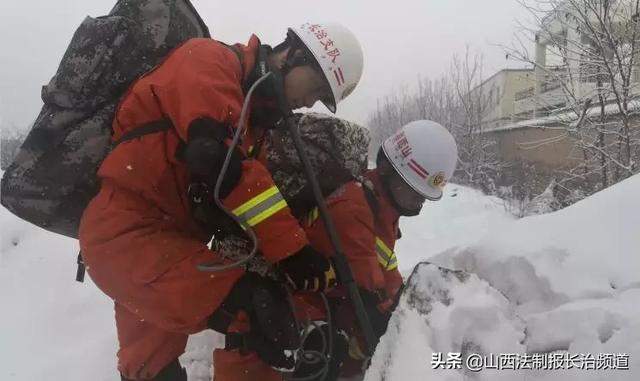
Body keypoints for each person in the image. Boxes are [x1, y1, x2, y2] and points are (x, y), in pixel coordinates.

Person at [78, 22, 364, 380]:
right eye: (316, 88)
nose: (309, 102)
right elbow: (218, 162)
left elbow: (245, 202)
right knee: (251, 307)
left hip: (172, 240)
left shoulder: (252, 122)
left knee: (149, 369)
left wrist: (299, 259)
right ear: (293, 55)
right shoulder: (210, 61)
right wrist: (295, 253)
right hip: (126, 233)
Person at [297, 120, 459, 379]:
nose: (419, 202)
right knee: (366, 334)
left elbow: (387, 271)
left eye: (424, 195)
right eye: (414, 190)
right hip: (306, 321)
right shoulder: (354, 209)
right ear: (387, 169)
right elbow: (368, 297)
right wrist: (396, 321)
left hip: (334, 310)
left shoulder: (381, 208)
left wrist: (406, 301)